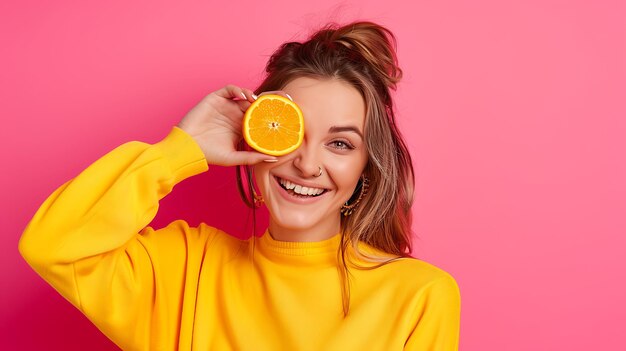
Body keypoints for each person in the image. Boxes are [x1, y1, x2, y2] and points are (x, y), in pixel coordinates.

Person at [18, 21, 461, 350]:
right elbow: (52, 244)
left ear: (366, 168)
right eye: (292, 133)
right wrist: (180, 150)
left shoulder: (419, 296)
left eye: (340, 144)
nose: (308, 164)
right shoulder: (186, 268)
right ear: (254, 134)